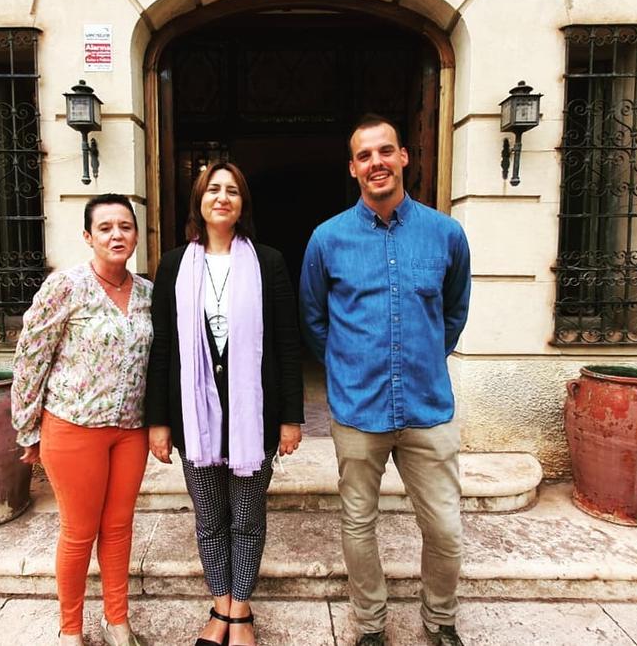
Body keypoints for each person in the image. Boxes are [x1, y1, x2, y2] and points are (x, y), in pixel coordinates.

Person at [299, 115, 472, 646]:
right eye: (364, 155)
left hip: (427, 407)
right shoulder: (327, 239)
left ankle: (440, 620)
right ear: (353, 169)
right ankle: (371, 625)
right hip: (359, 409)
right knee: (358, 523)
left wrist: (422, 357)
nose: (376, 162)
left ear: (403, 158)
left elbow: (454, 311)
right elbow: (313, 318)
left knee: (444, 527)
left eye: (385, 151)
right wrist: (349, 365)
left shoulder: (446, 233)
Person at [146, 162, 304, 646]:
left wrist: (291, 417)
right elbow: (163, 348)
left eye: (232, 191)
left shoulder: (269, 262)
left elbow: (286, 342)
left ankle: (241, 610)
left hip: (252, 417)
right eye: (212, 189)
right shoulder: (173, 264)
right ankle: (220, 606)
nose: (222, 197)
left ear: (242, 204)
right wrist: (157, 421)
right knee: (210, 516)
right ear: (198, 200)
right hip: (193, 418)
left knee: (248, 518)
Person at [11, 193, 152, 646]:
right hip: (73, 428)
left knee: (118, 527)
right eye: (106, 227)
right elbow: (31, 357)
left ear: (136, 235)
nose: (117, 234)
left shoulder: (148, 293)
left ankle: (117, 621)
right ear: (89, 236)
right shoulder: (66, 286)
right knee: (78, 531)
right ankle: (71, 629)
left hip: (130, 430)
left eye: (125, 226)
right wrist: (27, 427)